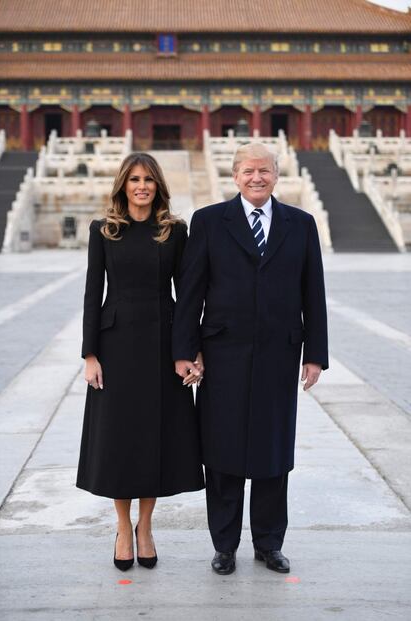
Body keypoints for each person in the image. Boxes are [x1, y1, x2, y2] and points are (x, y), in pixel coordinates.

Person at [173, 143, 328, 575]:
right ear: (235, 176)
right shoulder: (208, 222)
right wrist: (184, 351)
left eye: (264, 170)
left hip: (280, 353)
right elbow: (190, 293)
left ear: (277, 175)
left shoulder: (301, 224)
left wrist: (315, 354)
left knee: (272, 451)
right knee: (222, 452)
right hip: (223, 355)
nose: (256, 178)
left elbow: (312, 292)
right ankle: (224, 545)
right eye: (248, 171)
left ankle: (268, 543)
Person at [77, 152, 204, 572]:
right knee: (120, 439)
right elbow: (93, 290)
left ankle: (145, 528)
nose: (141, 186)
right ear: (123, 185)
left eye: (148, 179)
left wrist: (189, 348)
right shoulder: (105, 230)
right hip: (115, 346)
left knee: (155, 437)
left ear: (158, 185)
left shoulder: (174, 231)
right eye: (134, 179)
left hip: (162, 345)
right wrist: (90, 354)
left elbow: (187, 294)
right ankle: (121, 526)